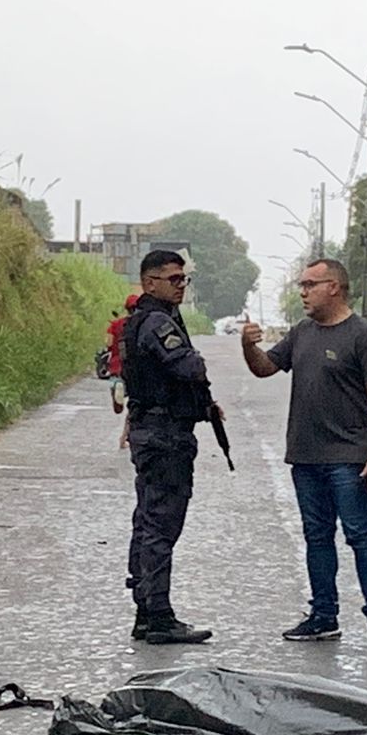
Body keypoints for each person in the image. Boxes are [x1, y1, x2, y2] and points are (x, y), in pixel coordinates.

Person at [240, 257, 367, 647]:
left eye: (310, 284)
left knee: (360, 535)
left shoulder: (365, 337)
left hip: (349, 458)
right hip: (306, 457)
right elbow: (264, 369)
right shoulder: (302, 333)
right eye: (301, 285)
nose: (303, 292)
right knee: (317, 537)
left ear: (335, 287)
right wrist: (247, 346)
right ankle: (323, 615)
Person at [120, 249, 218, 644]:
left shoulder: (140, 320)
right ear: (149, 282)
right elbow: (187, 366)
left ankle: (147, 611)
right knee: (160, 525)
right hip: (165, 437)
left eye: (184, 279)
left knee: (147, 521)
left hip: (153, 431)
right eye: (173, 279)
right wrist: (196, 362)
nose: (181, 285)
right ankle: (158, 615)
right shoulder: (158, 322)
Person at [105, 293, 140, 415]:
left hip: (117, 363)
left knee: (116, 380)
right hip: (136, 365)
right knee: (138, 396)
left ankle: (118, 386)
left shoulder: (115, 325)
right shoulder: (142, 324)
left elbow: (108, 343)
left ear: (126, 308)